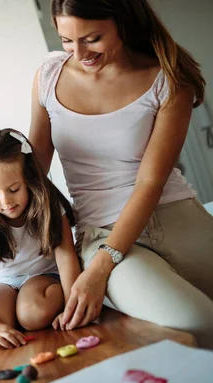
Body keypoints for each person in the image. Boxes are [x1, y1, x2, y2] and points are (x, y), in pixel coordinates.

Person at [29, 0, 213, 347]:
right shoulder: (50, 75)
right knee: (198, 325)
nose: (79, 52)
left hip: (174, 215)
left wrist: (100, 267)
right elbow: (35, 166)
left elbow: (150, 182)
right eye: (67, 39)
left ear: (123, 22)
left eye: (92, 38)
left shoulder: (169, 78)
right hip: (103, 234)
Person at [0, 129, 82, 349]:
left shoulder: (49, 207)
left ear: (29, 179)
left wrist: (72, 308)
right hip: (0, 283)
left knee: (32, 315)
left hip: (43, 276)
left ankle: (16, 311)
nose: (5, 201)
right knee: (0, 322)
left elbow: (67, 257)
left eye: (14, 189)